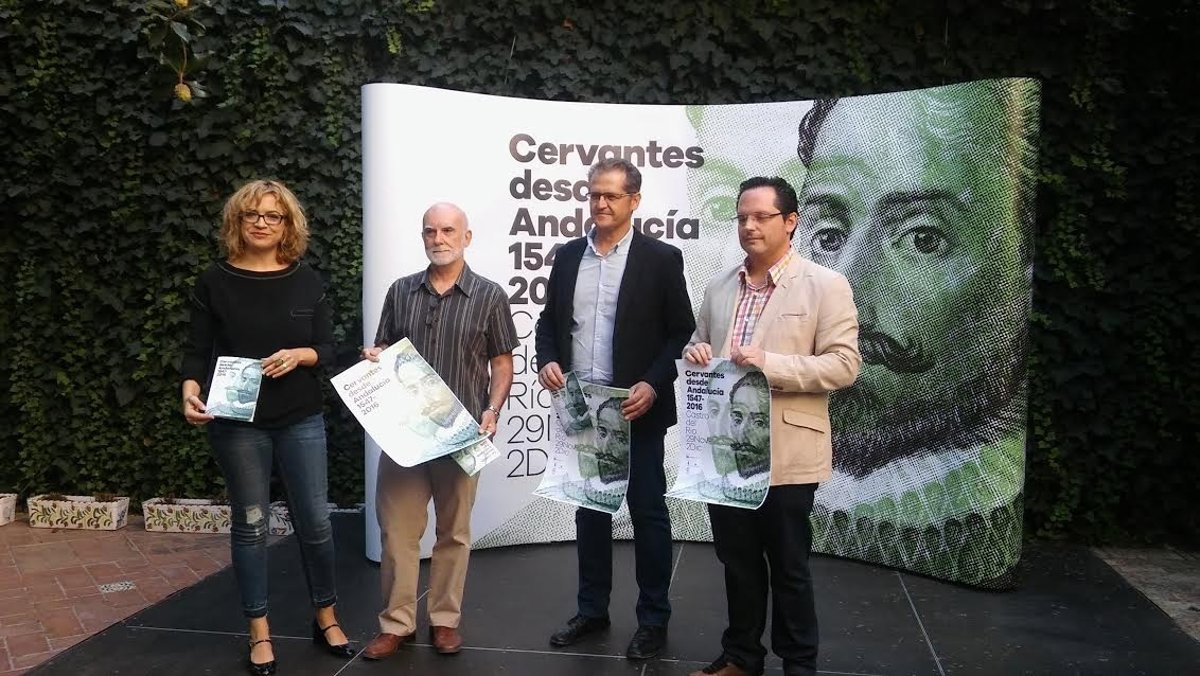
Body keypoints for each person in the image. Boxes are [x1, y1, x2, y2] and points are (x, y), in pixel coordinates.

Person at [794, 80, 1038, 584]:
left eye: (923, 238)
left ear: (1022, 258)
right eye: (829, 236)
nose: (847, 292)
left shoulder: (980, 517)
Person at [683, 176, 860, 676]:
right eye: (742, 217)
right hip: (726, 450)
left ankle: (799, 664)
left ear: (791, 221)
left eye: (761, 216)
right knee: (737, 562)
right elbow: (698, 341)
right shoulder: (720, 286)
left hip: (787, 451)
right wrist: (695, 352)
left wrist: (771, 364)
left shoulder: (825, 284)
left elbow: (844, 366)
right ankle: (741, 657)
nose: (749, 226)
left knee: (788, 567)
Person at [181, 179, 352, 676]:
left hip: (301, 416)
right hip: (237, 422)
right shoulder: (214, 281)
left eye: (272, 215)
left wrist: (301, 355)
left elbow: (328, 348)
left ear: (287, 224)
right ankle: (259, 631)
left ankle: (326, 617)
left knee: (316, 523)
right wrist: (189, 391)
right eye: (252, 214)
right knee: (251, 525)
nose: (261, 222)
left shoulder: (307, 280)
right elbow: (197, 350)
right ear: (237, 221)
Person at [536, 157, 695, 660]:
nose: (600, 203)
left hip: (636, 410)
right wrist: (547, 360)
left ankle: (653, 620)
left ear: (634, 200)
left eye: (611, 195)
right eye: (594, 194)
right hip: (583, 410)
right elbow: (547, 324)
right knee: (590, 514)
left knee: (647, 513)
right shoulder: (568, 256)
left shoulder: (661, 258)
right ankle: (592, 611)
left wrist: (653, 382)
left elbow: (680, 331)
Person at [361, 202, 518, 660]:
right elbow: (385, 348)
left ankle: (445, 620)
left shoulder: (489, 295)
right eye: (430, 231)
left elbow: (502, 362)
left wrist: (492, 409)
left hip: (462, 434)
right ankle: (396, 623)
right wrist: (375, 357)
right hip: (404, 435)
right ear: (423, 236)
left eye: (448, 230)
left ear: (466, 237)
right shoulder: (401, 291)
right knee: (397, 532)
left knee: (454, 533)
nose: (439, 238)